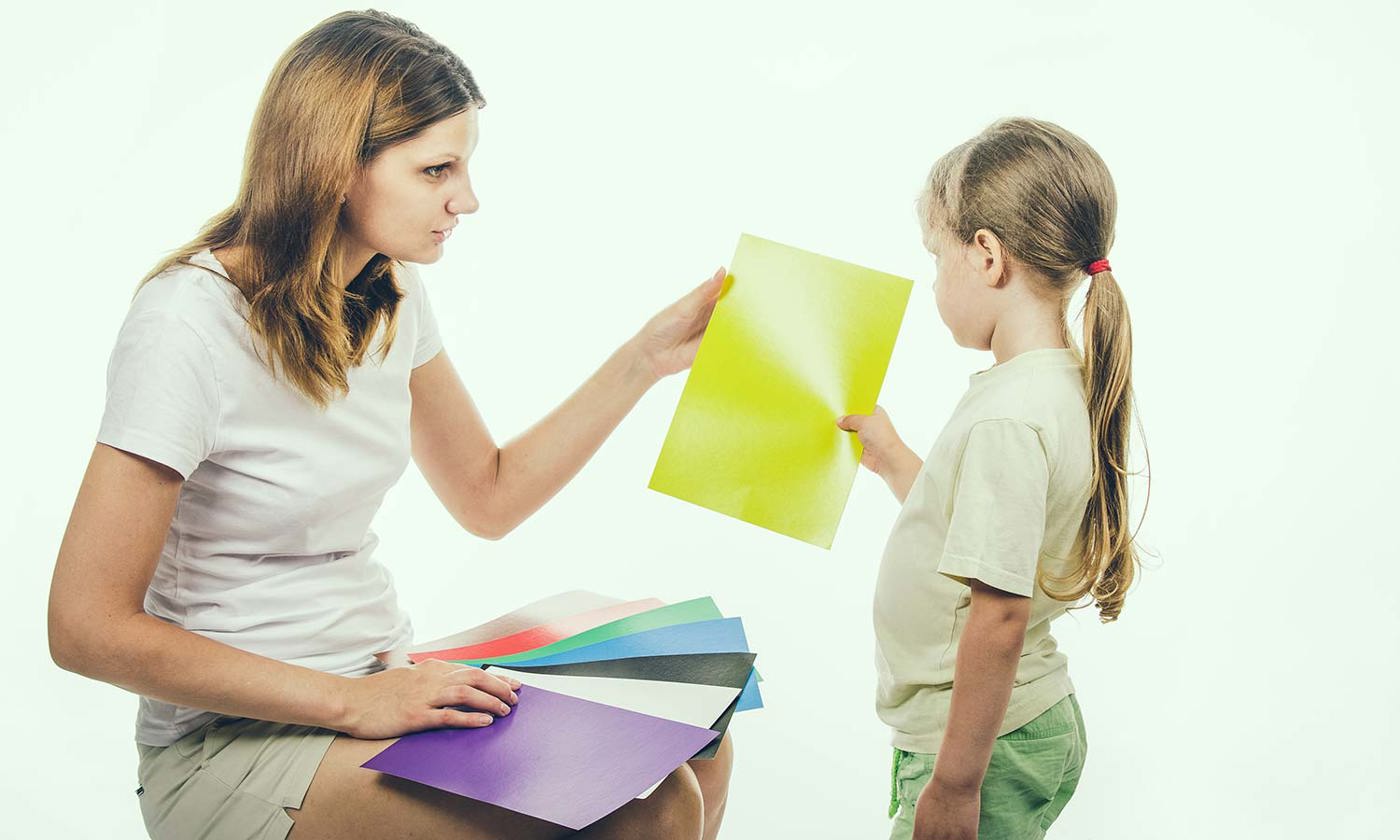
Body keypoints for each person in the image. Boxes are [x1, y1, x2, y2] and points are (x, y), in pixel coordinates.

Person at [47, 10, 732, 840]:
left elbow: (488, 494)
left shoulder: (390, 293)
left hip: (380, 679)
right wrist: (353, 700)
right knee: (650, 805)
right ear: (335, 165)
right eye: (436, 168)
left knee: (696, 726)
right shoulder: (187, 324)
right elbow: (85, 628)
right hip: (232, 745)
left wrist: (643, 361)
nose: (466, 199)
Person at [838, 117, 1146, 840]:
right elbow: (978, 530)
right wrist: (890, 456)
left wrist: (953, 784)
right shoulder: (1055, 386)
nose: (932, 277)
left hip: (979, 746)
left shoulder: (1007, 418)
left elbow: (999, 617)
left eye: (935, 254)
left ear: (985, 256)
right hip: (1018, 725)